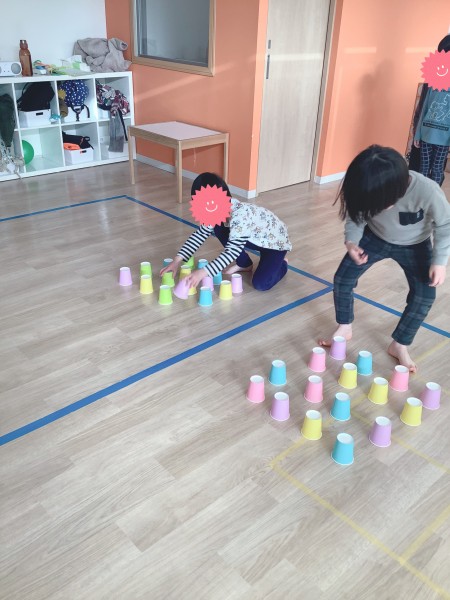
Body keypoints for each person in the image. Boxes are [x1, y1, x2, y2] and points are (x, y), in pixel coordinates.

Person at [319, 145, 450, 372]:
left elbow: (445, 224)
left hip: (415, 245)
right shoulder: (369, 187)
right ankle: (344, 327)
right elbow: (356, 215)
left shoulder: (427, 190)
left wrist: (440, 261)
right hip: (374, 238)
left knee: (424, 296)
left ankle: (399, 344)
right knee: (343, 278)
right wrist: (351, 242)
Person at [160, 172, 291, 291]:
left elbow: (231, 252)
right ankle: (245, 264)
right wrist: (176, 261)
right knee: (219, 227)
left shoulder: (240, 217)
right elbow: (200, 234)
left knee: (261, 284)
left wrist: (202, 273)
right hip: (255, 238)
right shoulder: (215, 212)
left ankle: (283, 263)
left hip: (275, 245)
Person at [413, 34, 450, 186]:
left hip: (443, 138)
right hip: (426, 134)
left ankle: (433, 197)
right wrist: (417, 133)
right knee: (423, 169)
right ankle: (422, 195)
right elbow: (424, 108)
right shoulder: (433, 80)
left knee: (437, 170)